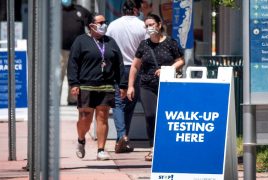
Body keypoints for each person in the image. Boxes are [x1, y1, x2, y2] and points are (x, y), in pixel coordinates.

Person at [67, 14, 126, 161]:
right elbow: (73, 63)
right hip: (86, 85)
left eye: (105, 22)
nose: (104, 24)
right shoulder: (80, 41)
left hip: (106, 85)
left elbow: (119, 64)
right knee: (85, 118)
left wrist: (122, 85)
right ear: (91, 26)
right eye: (101, 22)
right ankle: (81, 139)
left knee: (102, 117)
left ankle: (101, 149)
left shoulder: (110, 42)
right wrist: (74, 83)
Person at [127, 13, 185, 161]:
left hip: (168, 85)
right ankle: (153, 147)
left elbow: (181, 61)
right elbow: (134, 66)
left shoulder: (171, 43)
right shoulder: (144, 44)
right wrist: (130, 86)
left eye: (152, 24)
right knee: (151, 116)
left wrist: (169, 69)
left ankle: (167, 146)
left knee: (166, 117)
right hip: (147, 85)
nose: (149, 28)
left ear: (159, 25)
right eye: (147, 26)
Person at [106, 0, 147, 153]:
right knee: (129, 103)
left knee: (118, 103)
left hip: (117, 68)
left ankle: (122, 137)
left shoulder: (113, 25)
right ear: (136, 10)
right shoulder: (142, 26)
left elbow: (107, 46)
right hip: (135, 69)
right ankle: (123, 136)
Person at [61, 0, 92, 105]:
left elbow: (91, 26)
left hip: (77, 50)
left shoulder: (81, 11)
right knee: (58, 75)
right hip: (60, 50)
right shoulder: (55, 11)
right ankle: (54, 99)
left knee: (74, 75)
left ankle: (72, 99)